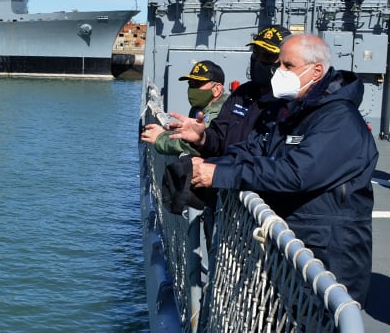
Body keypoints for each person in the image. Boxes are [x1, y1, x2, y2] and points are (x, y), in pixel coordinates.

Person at [190, 34, 375, 304]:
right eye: (279, 65)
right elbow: (253, 150)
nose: (279, 72)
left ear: (317, 71)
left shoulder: (339, 119)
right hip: (292, 246)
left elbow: (296, 174)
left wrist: (219, 175)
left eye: (288, 65)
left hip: (328, 260)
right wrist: (208, 166)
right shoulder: (291, 110)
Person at [166, 25, 290, 158]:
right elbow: (219, 138)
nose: (258, 59)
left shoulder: (290, 103)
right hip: (227, 174)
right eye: (256, 52)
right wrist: (202, 138)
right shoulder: (242, 94)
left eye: (267, 55)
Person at [141, 60, 228, 156]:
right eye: (191, 84)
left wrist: (160, 138)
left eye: (198, 84)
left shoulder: (221, 112)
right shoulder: (199, 108)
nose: (193, 89)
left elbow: (195, 143)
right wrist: (169, 131)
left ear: (217, 89)